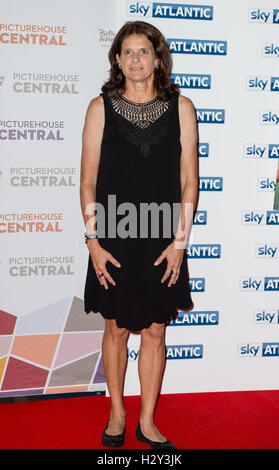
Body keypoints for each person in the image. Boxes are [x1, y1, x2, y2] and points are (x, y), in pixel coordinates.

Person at [80, 20, 198, 449]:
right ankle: (117, 413)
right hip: (112, 236)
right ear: (116, 59)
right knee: (115, 330)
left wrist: (180, 242)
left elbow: (190, 182)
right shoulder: (100, 107)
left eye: (143, 51)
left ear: (157, 57)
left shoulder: (181, 107)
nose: (135, 59)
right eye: (127, 51)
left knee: (155, 332)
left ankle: (147, 421)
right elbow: (88, 183)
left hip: (163, 238)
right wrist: (93, 241)